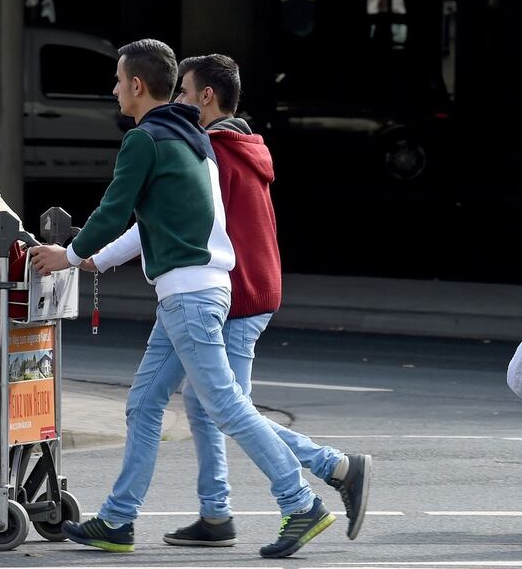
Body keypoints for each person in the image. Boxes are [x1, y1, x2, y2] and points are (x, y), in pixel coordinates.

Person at [30, 39, 334, 559]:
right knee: (145, 403)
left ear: (137, 85)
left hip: (189, 296)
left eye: (117, 80)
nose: (113, 90)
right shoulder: (193, 136)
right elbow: (156, 224)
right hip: (200, 291)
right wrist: (90, 260)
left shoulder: (145, 141)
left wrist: (70, 254)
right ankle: (119, 522)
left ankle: (301, 502)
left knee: (227, 407)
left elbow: (112, 211)